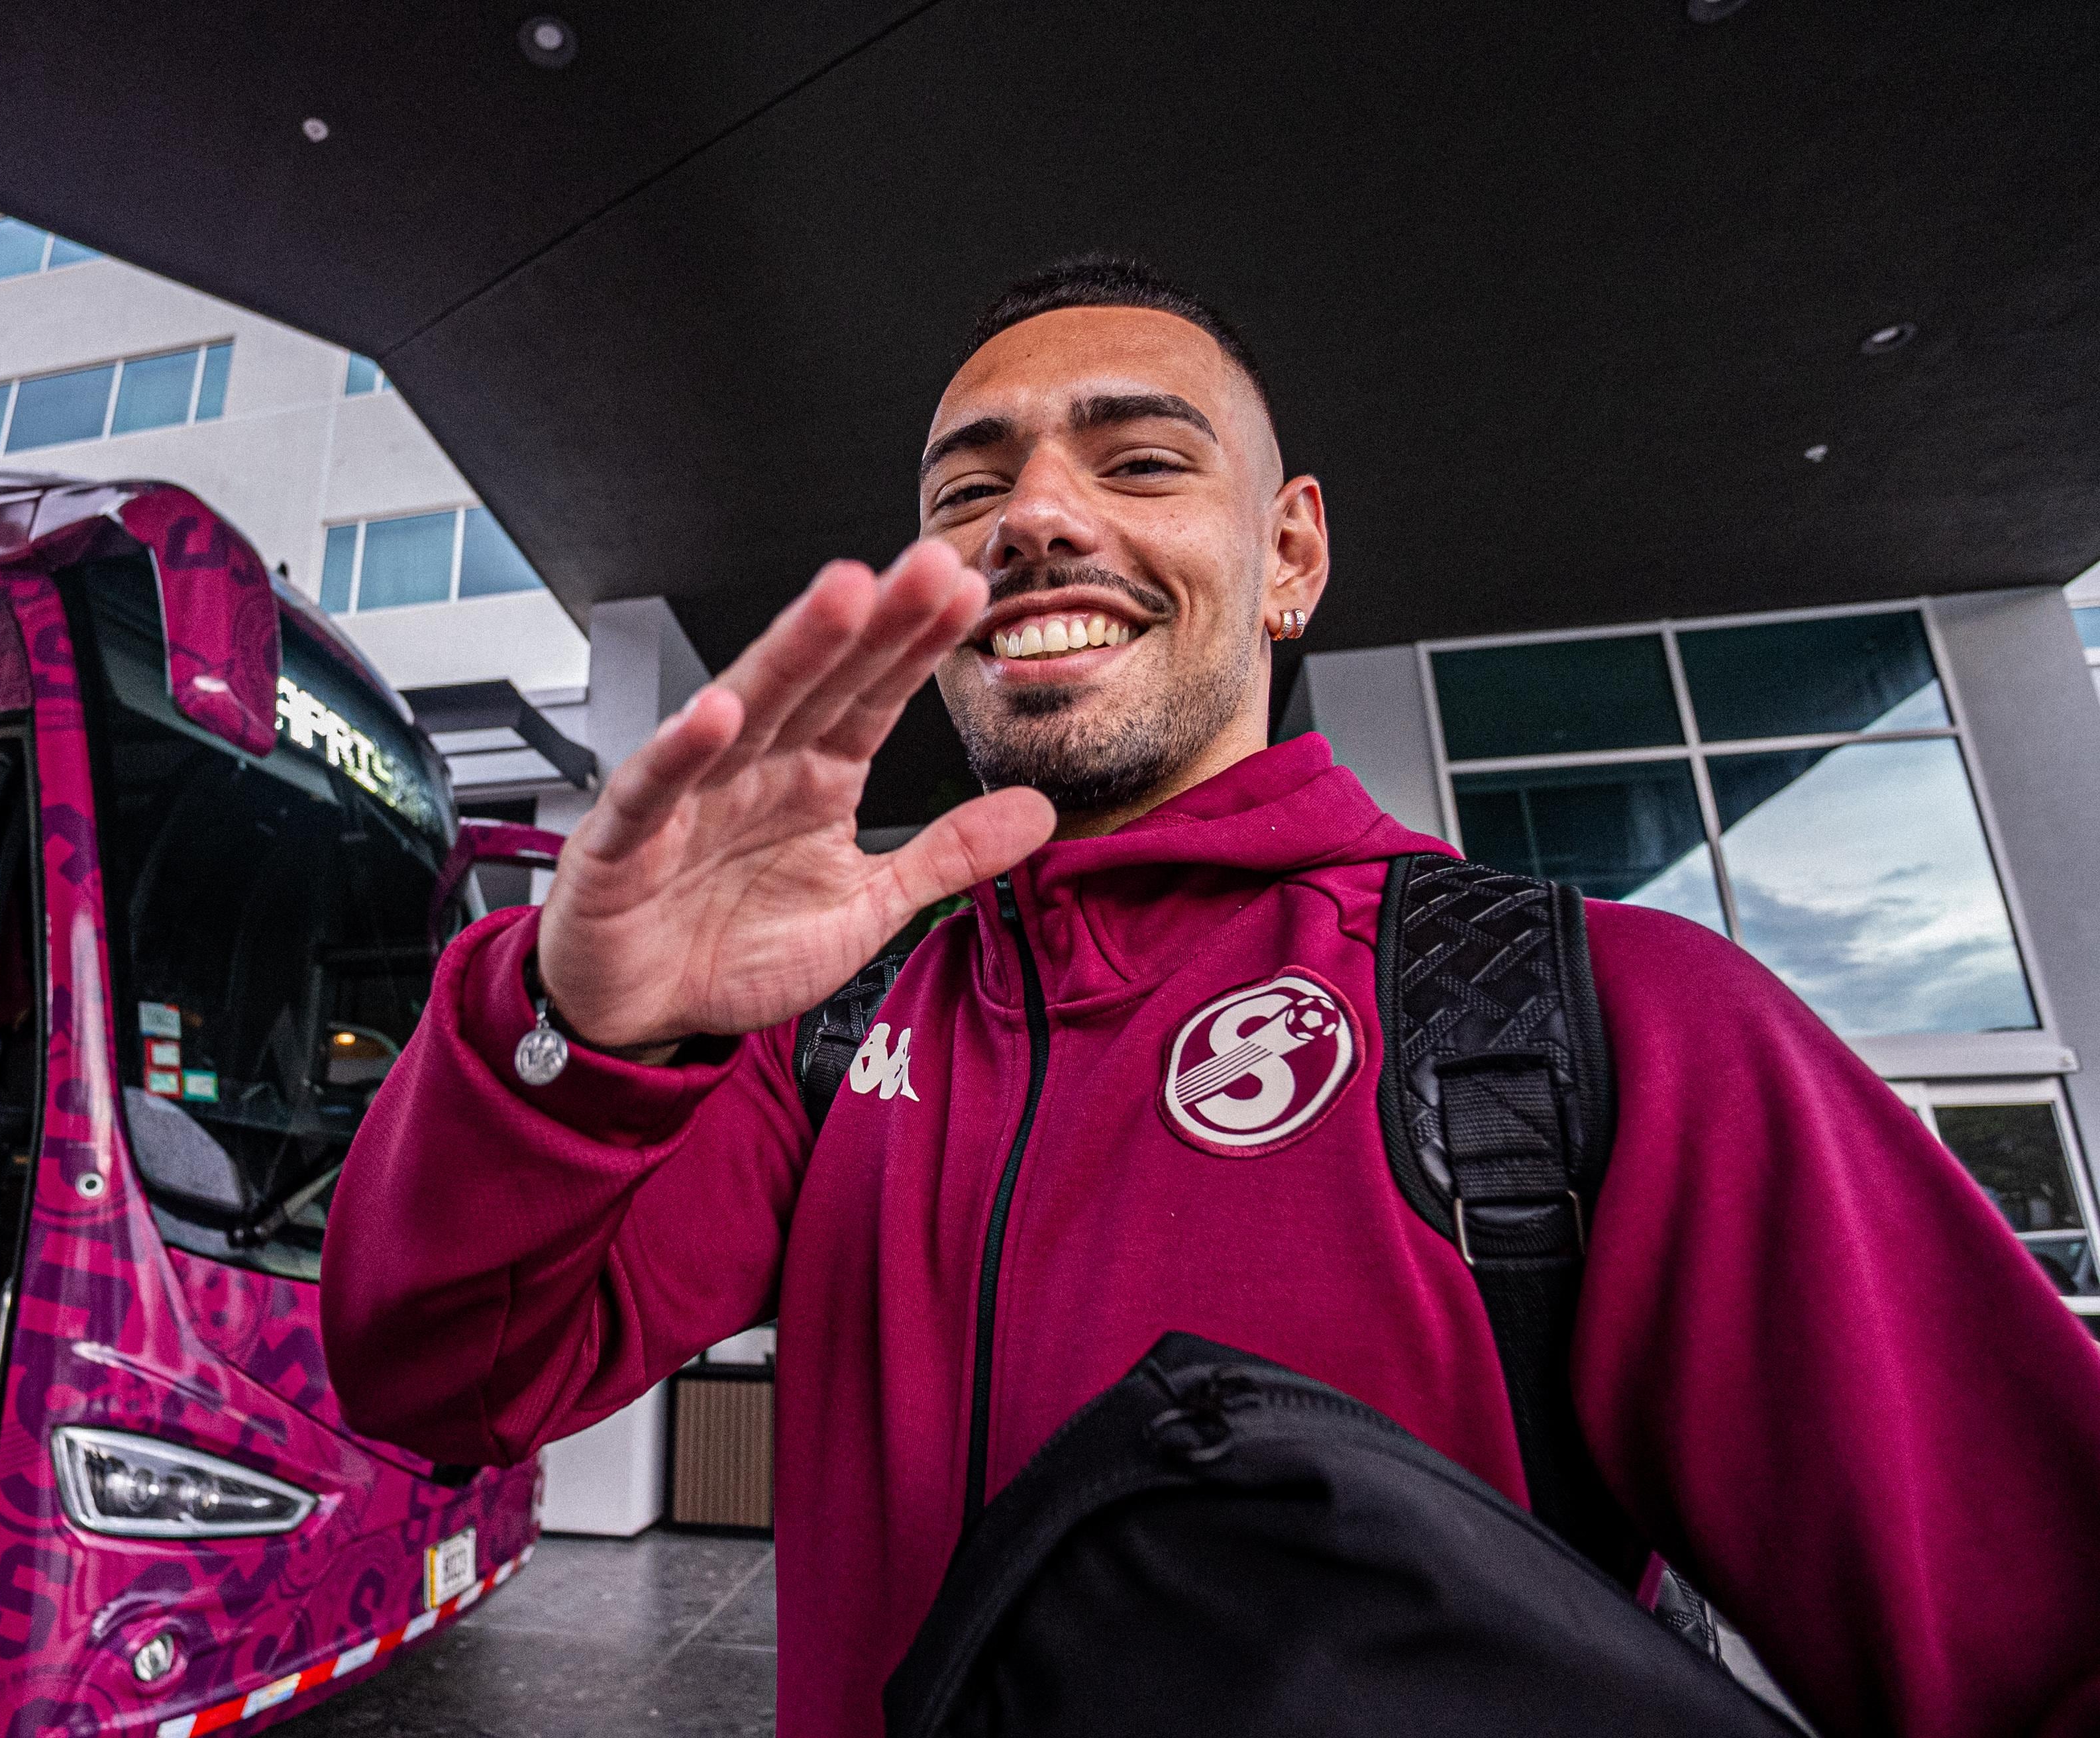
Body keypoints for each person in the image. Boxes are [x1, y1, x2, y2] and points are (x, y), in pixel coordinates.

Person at [323, 256, 2100, 1737]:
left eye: (1142, 461)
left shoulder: (1606, 1022)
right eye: (970, 486)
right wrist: (580, 1039)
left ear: (1293, 558)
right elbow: (442, 1378)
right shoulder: (833, 1029)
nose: (1032, 516)